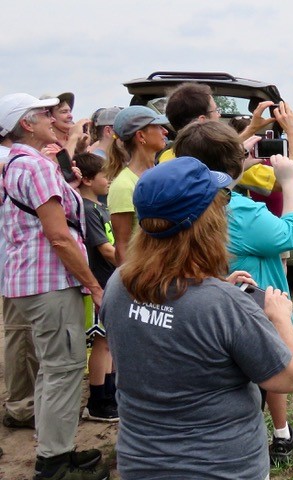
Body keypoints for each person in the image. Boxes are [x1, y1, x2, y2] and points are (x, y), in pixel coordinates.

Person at [99, 156, 293, 479]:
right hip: (225, 468)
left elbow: (170, 321)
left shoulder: (118, 285)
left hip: (141, 464)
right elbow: (289, 377)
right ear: (206, 224)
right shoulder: (224, 306)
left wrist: (214, 289)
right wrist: (279, 317)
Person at [173, 119, 293, 464]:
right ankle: (278, 434)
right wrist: (290, 182)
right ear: (234, 165)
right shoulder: (241, 212)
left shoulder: (179, 203)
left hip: (203, 301)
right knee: (265, 371)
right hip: (254, 305)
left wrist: (238, 154)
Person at [1, 93, 109, 479]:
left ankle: (56, 450)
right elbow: (59, 237)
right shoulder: (37, 167)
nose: (53, 117)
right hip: (50, 282)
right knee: (63, 369)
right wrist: (94, 285)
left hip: (26, 281)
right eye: (44, 112)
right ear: (26, 124)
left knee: (52, 369)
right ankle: (54, 465)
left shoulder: (15, 164)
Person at [0, 95, 38, 431]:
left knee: (24, 336)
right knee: (20, 335)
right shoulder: (11, 159)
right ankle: (22, 406)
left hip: (17, 263)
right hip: (15, 263)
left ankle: (27, 401)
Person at [74, 152, 119, 422]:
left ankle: (111, 392)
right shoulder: (88, 209)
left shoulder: (100, 207)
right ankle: (98, 399)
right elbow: (104, 248)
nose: (110, 180)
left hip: (110, 281)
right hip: (100, 282)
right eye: (105, 176)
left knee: (109, 342)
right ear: (88, 179)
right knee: (102, 342)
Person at [105, 106, 168, 265]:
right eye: (158, 127)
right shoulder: (123, 185)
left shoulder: (163, 173)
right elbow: (123, 247)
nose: (165, 131)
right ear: (141, 136)